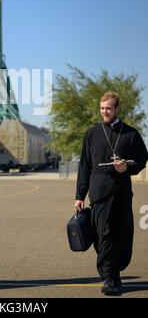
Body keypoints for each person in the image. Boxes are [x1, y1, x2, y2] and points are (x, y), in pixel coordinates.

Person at [75, 91, 148, 295]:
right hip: (98, 194)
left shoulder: (130, 134)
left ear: (116, 109)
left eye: (108, 108)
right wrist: (79, 196)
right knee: (103, 236)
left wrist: (127, 169)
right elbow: (84, 166)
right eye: (102, 108)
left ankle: (113, 274)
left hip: (121, 194)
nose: (104, 112)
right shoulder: (92, 133)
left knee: (120, 235)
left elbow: (142, 160)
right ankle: (109, 277)